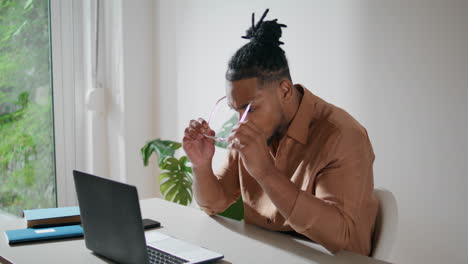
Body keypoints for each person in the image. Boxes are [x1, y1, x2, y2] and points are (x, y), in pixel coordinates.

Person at [182, 9, 378, 256]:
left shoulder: (342, 136)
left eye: (250, 108)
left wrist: (265, 172)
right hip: (263, 254)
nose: (241, 120)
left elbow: (342, 239)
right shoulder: (251, 131)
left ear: (285, 91)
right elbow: (215, 203)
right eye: (236, 110)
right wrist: (201, 165)